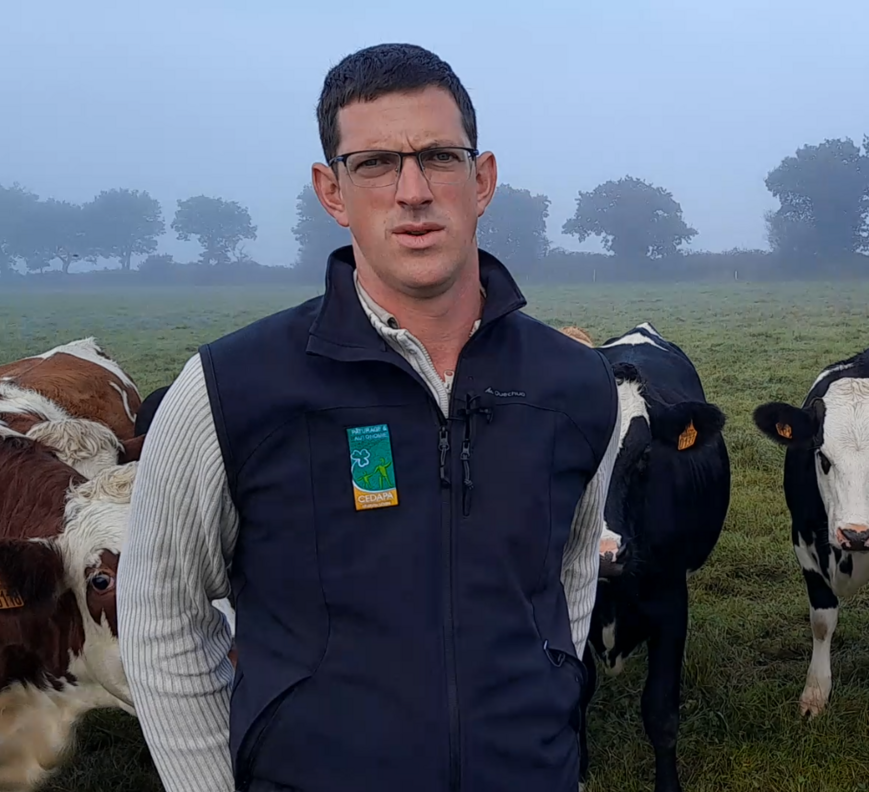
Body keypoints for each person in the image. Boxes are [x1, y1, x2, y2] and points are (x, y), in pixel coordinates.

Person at [118, 42, 621, 792]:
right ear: (332, 189)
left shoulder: (577, 385)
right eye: (376, 163)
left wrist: (545, 695)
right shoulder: (230, 390)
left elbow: (571, 572)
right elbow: (163, 614)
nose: (412, 190)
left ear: (481, 181)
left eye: (440, 158)